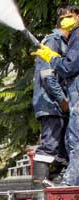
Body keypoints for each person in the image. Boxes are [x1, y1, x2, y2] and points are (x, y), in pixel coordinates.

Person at [34, 6, 79, 186]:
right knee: (50, 145)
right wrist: (62, 100)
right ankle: (39, 190)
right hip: (51, 104)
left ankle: (61, 180)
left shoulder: (69, 39)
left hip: (63, 104)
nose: (66, 20)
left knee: (64, 147)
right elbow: (47, 76)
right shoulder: (53, 40)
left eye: (70, 16)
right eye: (64, 17)